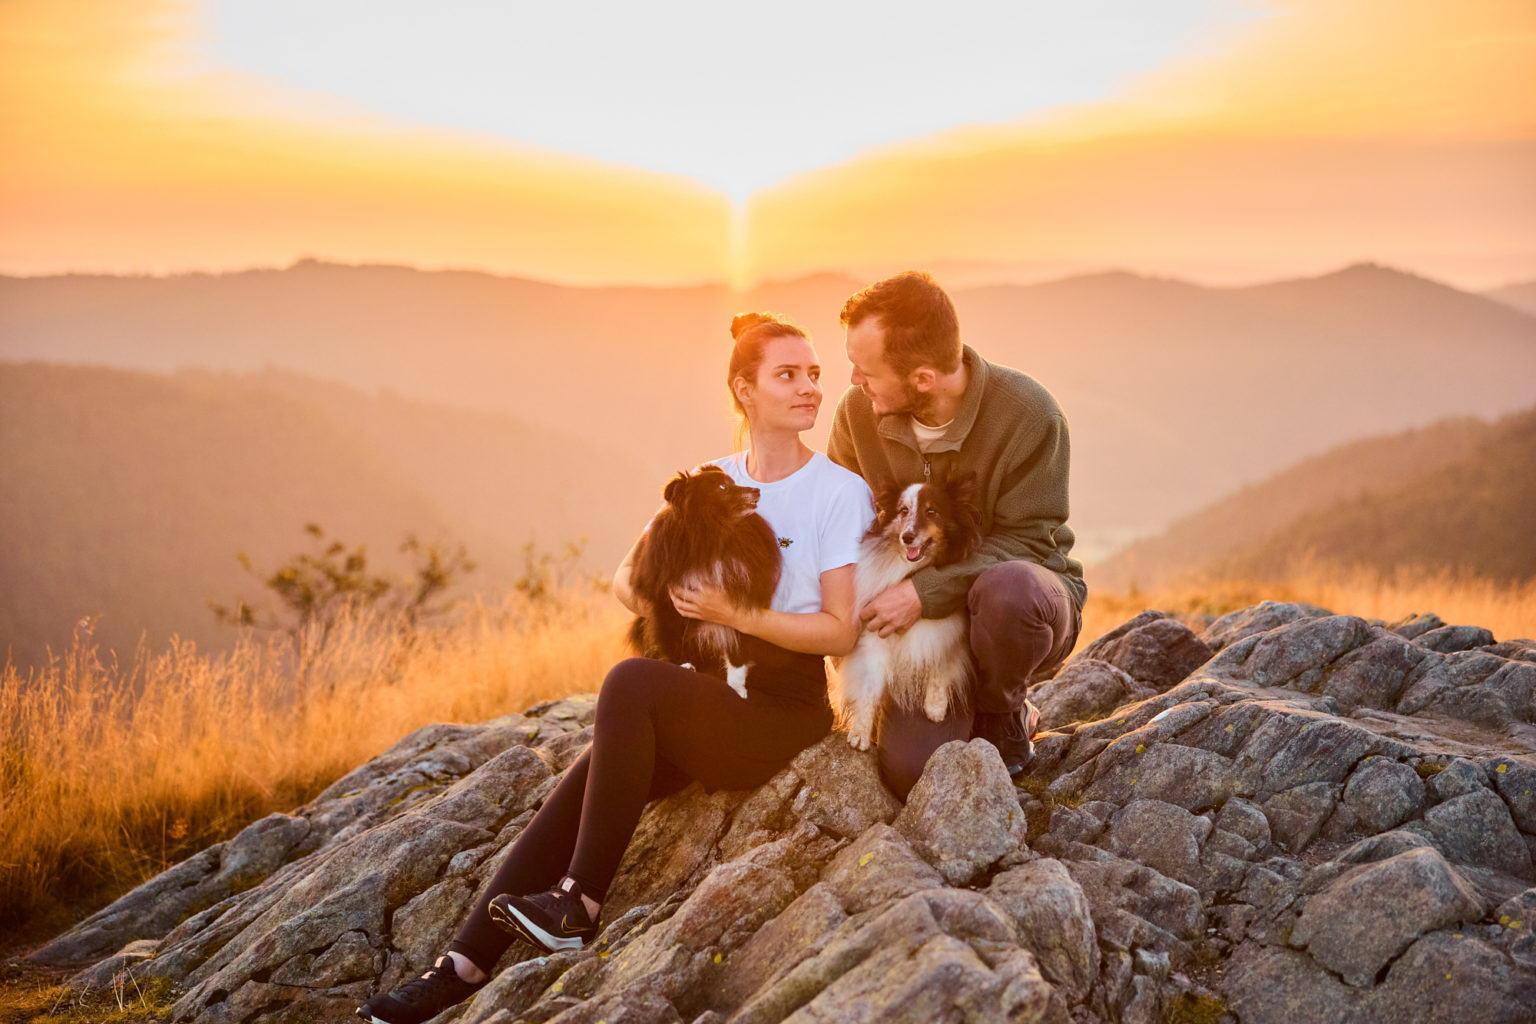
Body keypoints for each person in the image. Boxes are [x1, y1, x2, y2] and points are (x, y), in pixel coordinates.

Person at [357, 312, 872, 1024]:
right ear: (743, 390)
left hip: (778, 718)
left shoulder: (838, 492)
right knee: (591, 771)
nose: (810, 387)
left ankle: (581, 901)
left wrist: (734, 613)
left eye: (814, 373)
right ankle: (457, 969)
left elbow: (841, 629)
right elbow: (629, 584)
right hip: (705, 703)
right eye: (788, 374)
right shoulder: (708, 484)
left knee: (628, 684)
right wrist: (667, 569)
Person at [826, 271, 1087, 801]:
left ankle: (1003, 708)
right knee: (913, 772)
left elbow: (1032, 543)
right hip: (914, 634)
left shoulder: (1028, 415)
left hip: (1019, 607)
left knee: (1009, 591)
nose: (854, 379)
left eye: (866, 368)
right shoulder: (857, 415)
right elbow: (834, 529)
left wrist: (923, 593)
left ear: (922, 379)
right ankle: (958, 708)